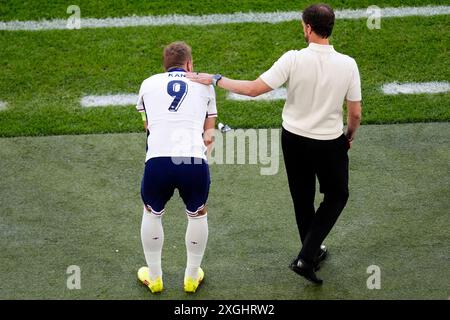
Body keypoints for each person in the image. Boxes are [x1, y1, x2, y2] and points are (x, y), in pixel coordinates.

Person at [187, 3, 362, 284]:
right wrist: (349, 136)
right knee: (337, 195)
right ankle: (308, 255)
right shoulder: (348, 64)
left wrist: (217, 79)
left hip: (294, 139)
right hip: (330, 142)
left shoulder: (293, 59)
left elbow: (254, 89)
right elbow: (354, 112)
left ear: (307, 27)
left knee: (302, 198)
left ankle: (310, 253)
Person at [136, 41, 217, 293]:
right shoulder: (205, 86)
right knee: (198, 212)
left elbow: (147, 126)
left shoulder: (148, 84)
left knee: (151, 212)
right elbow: (209, 135)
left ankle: (155, 277)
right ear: (190, 64)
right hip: (192, 160)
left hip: (158, 160)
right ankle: (191, 278)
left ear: (165, 66)